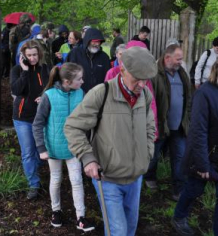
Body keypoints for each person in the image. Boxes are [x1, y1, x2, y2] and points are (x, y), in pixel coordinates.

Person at [64, 46, 157, 236]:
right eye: (137, 78)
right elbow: (73, 126)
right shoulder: (101, 93)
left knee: (130, 229)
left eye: (146, 79)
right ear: (122, 70)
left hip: (135, 178)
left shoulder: (145, 95)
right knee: (118, 232)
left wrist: (146, 155)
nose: (142, 84)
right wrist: (88, 158)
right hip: (108, 179)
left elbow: (150, 128)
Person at [172, 52, 218, 236]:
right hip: (205, 155)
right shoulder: (204, 93)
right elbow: (198, 131)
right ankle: (179, 217)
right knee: (194, 189)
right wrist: (203, 163)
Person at [32, 63, 95, 232]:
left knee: (77, 181)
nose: (83, 81)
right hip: (53, 147)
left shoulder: (80, 93)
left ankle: (80, 217)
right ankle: (56, 211)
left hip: (75, 146)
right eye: (79, 79)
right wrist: (41, 148)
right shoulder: (49, 96)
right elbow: (37, 123)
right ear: (67, 81)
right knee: (56, 179)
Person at [144, 44, 191, 201]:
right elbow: (150, 102)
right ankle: (149, 178)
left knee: (180, 158)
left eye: (181, 59)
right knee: (154, 156)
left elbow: (188, 98)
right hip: (161, 126)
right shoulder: (154, 74)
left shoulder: (182, 74)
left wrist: (187, 120)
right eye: (178, 59)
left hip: (179, 126)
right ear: (167, 58)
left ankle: (178, 190)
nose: (180, 62)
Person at [10, 40, 49, 200]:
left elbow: (51, 86)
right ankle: (33, 183)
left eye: (35, 55)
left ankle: (35, 167)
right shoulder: (17, 70)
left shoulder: (45, 69)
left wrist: (44, 96)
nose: (32, 58)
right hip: (23, 117)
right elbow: (16, 90)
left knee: (39, 150)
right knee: (27, 152)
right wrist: (25, 71)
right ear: (23, 56)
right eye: (29, 55)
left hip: (41, 117)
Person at [66, 28, 111, 93]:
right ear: (87, 41)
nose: (97, 44)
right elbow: (66, 73)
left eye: (99, 41)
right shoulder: (75, 53)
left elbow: (108, 78)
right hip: (77, 94)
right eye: (94, 41)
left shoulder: (104, 57)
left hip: (98, 96)